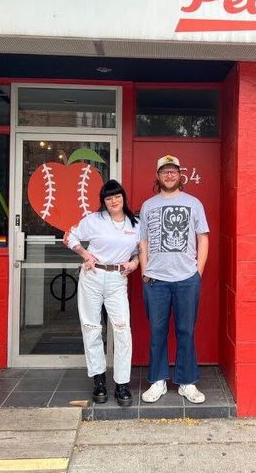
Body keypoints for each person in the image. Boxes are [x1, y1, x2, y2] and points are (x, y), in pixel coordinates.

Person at [138, 154, 210, 404]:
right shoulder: (148, 205)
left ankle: (186, 382)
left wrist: (198, 272)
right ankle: (157, 380)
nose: (169, 175)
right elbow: (142, 240)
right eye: (164, 171)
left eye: (173, 171)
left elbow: (203, 238)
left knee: (185, 331)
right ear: (158, 176)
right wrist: (144, 271)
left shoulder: (194, 203)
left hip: (186, 278)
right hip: (155, 280)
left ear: (180, 175)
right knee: (157, 331)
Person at [66, 179, 140, 406]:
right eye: (109, 198)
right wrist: (85, 254)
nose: (114, 201)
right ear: (103, 202)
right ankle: (98, 380)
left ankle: (122, 383)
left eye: (117, 196)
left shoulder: (135, 224)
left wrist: (134, 264)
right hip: (93, 276)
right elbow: (70, 236)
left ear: (123, 198)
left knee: (122, 329)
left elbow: (139, 252)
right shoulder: (94, 220)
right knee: (92, 327)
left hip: (118, 278)